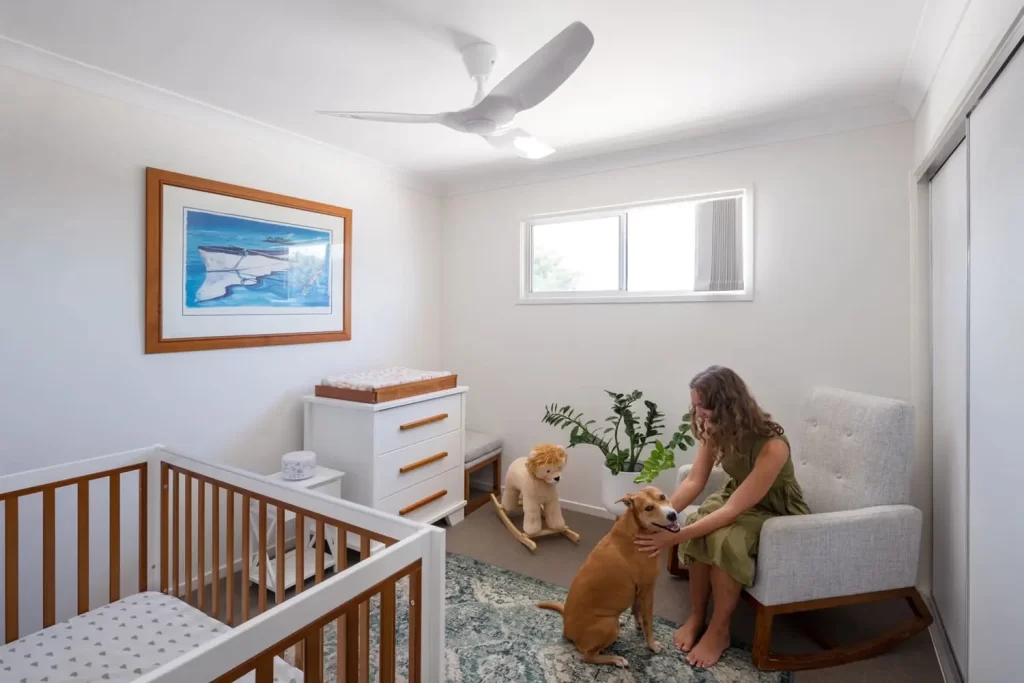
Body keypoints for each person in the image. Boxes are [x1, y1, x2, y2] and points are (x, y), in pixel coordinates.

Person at [634, 366, 810, 668]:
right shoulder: (713, 428)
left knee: (725, 538)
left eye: (705, 406)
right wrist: (662, 518)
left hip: (772, 508)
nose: (699, 413)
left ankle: (719, 630)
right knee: (698, 525)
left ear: (729, 405)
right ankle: (698, 615)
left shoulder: (773, 446)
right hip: (737, 493)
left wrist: (672, 537)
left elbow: (732, 512)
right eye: (695, 406)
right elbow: (695, 481)